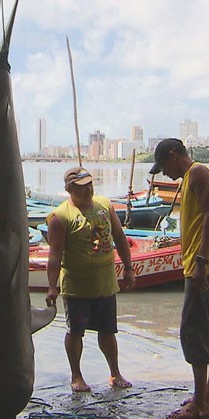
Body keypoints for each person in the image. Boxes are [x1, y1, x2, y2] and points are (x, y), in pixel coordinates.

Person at [149, 138, 209, 419]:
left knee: (194, 333)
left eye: (164, 166)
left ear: (173, 155)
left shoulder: (197, 172)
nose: (165, 173)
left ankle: (199, 404)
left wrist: (201, 263)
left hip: (204, 268)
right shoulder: (191, 177)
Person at [44, 167, 135, 393]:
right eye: (81, 188)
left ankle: (115, 372)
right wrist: (52, 287)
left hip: (105, 283)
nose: (87, 191)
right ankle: (76, 375)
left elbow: (120, 238)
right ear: (69, 189)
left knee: (108, 331)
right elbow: (54, 256)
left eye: (90, 186)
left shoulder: (105, 205)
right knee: (75, 332)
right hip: (77, 286)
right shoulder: (60, 216)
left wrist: (129, 268)